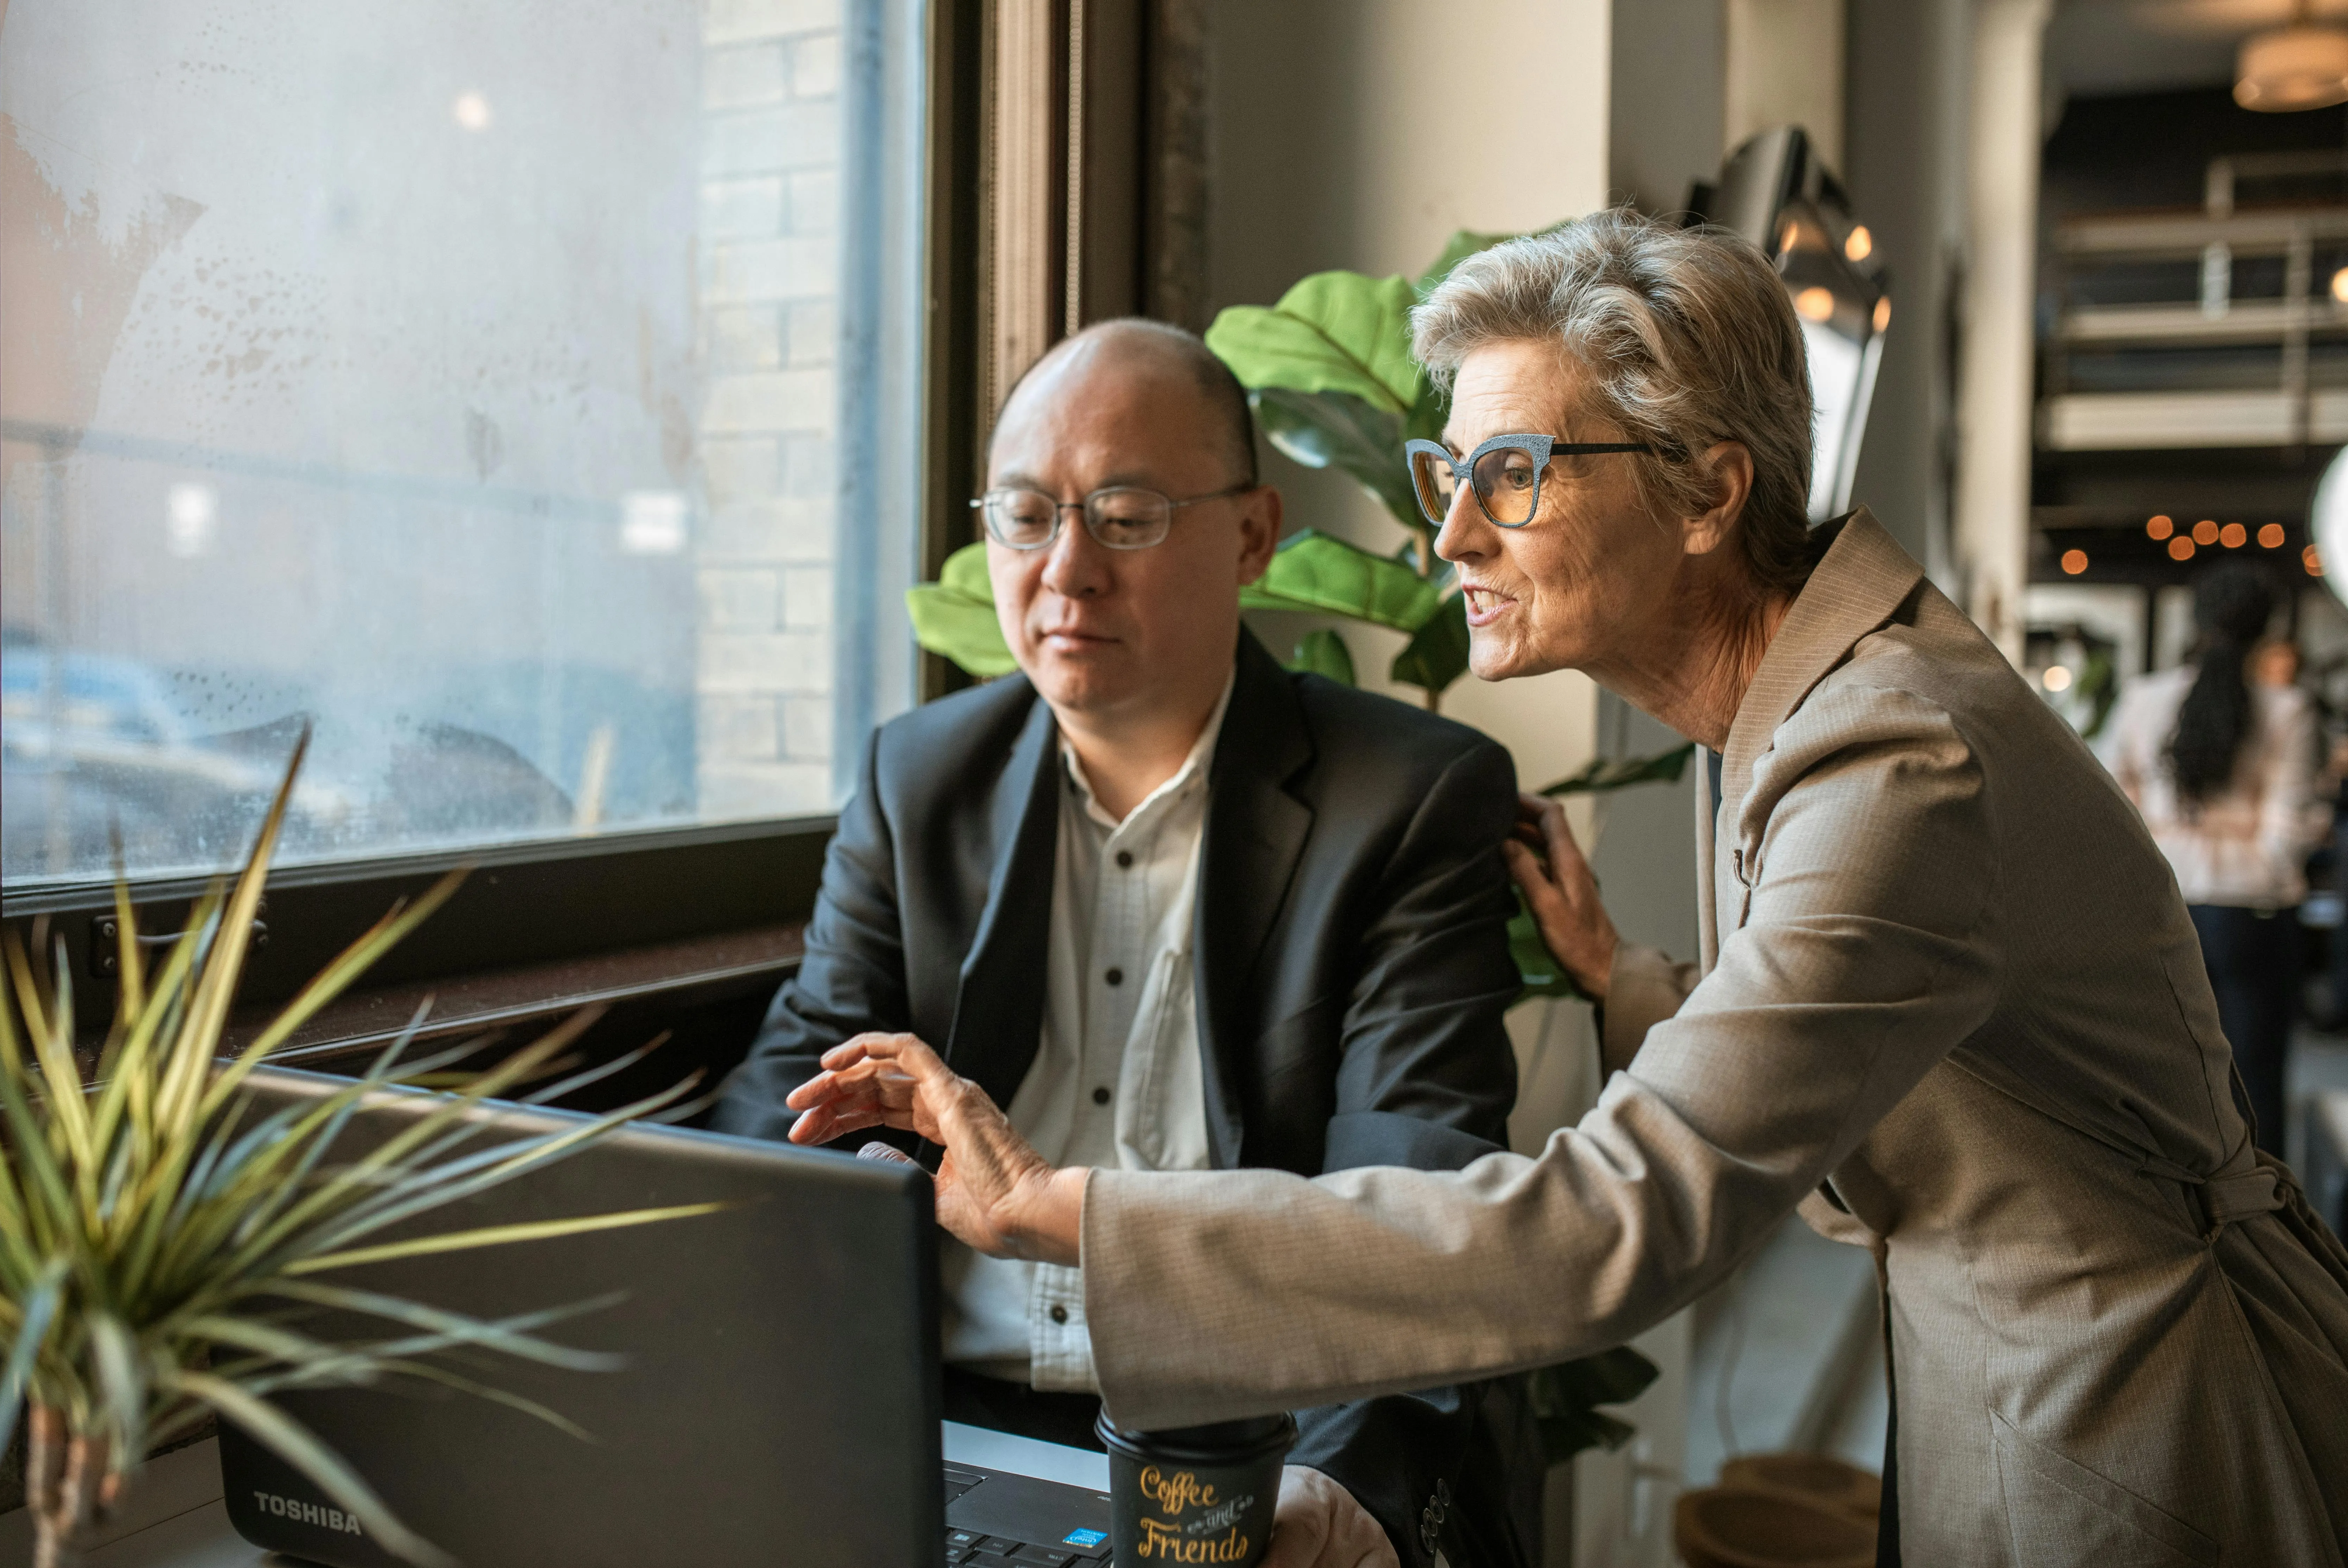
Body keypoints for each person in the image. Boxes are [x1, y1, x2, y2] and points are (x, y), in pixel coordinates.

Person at [784, 213, 2348, 1565]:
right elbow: (1873, 1036)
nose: (1451, 530)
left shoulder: (1891, 756)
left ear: (1703, 489)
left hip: (2135, 1415)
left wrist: (1062, 1208)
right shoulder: (1801, 698)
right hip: (2018, 1371)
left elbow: (1611, 1222)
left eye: (1512, 473)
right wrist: (1638, 989)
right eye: (1447, 472)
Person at [713, 319, 1543, 1568]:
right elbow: (785, 1121)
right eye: (1027, 515)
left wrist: (1321, 1501)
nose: (1067, 571)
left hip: (1243, 1443)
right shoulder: (915, 782)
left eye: (1127, 515)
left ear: (1253, 534)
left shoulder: (1408, 799)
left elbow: (1416, 1201)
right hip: (941, 1433)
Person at [2108, 565, 2319, 1156]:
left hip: (2160, 902)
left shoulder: (2143, 698)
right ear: (2267, 631)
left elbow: (2117, 810)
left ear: (2194, 620)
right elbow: (2286, 830)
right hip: (2250, 911)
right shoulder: (2288, 710)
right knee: (2255, 1082)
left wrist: (2174, 843)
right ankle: (2264, 1236)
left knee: (2160, 1077)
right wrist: (2241, 849)